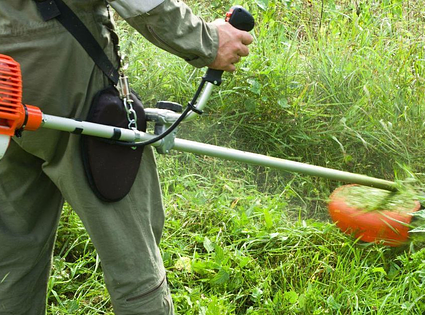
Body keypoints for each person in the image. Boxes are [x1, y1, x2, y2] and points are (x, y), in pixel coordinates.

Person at [0, 0, 253, 314]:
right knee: (132, 250)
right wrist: (208, 41)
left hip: (5, 74)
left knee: (12, 247)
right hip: (65, 69)